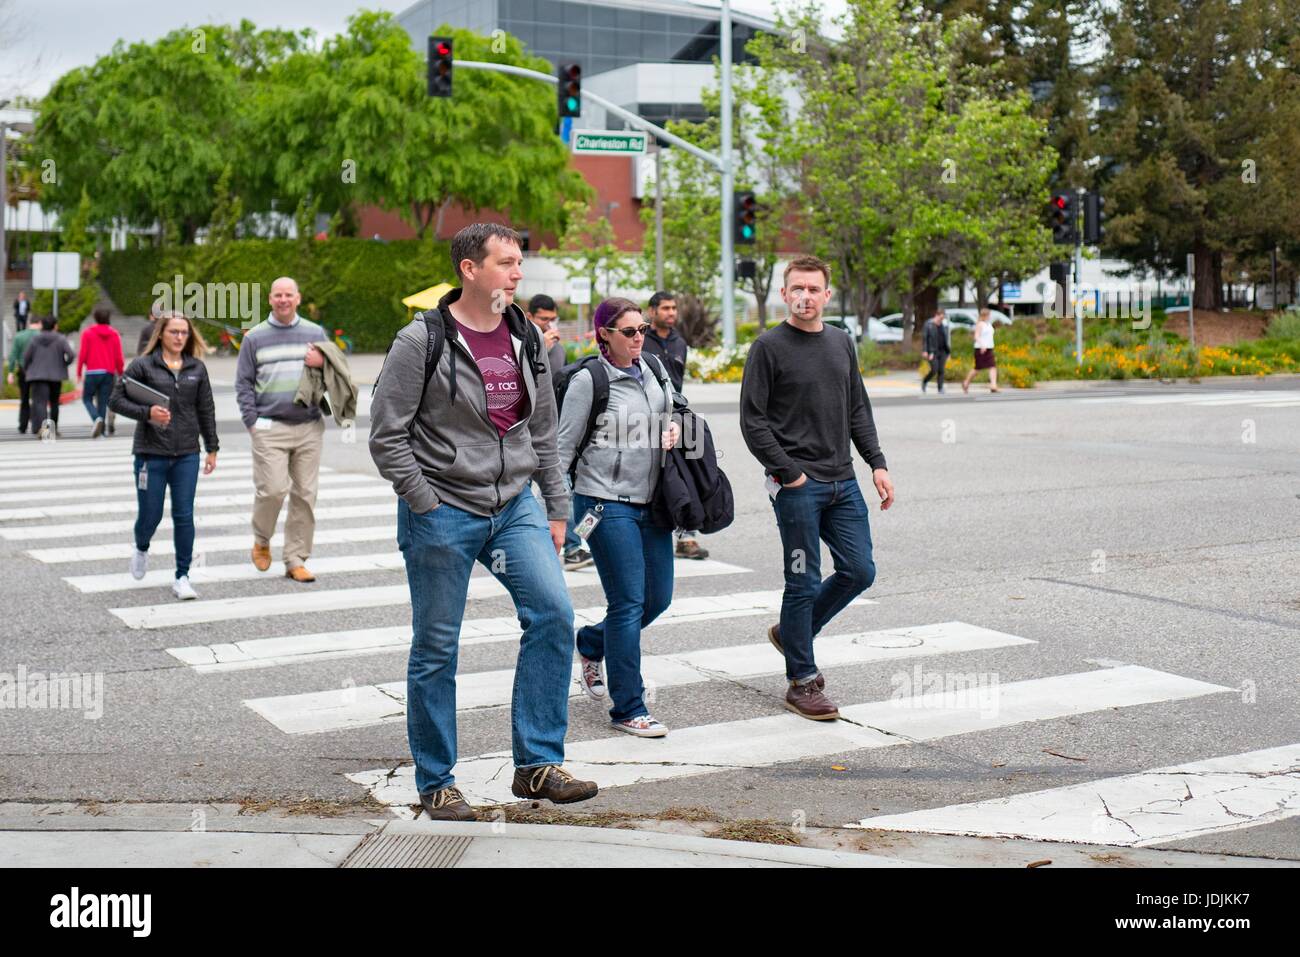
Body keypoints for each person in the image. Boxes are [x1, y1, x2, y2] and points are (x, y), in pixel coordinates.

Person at [369, 223, 598, 822]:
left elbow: (542, 429)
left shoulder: (526, 334)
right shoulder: (421, 341)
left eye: (519, 261)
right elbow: (387, 435)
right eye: (506, 262)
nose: (517, 273)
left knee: (553, 614)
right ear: (470, 269)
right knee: (438, 645)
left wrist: (555, 505)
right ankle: (437, 780)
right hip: (443, 507)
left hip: (514, 504)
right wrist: (424, 501)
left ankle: (538, 764)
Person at [739, 255, 895, 720]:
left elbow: (858, 409)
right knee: (802, 579)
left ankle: (793, 635)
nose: (805, 296)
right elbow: (753, 421)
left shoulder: (842, 343)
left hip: (843, 482)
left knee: (859, 571)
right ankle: (802, 681)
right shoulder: (767, 347)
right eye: (796, 289)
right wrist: (789, 473)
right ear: (784, 294)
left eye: (813, 289)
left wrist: (877, 464)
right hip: (797, 488)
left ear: (828, 295)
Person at [558, 297, 680, 737]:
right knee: (628, 601)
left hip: (653, 502)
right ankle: (629, 706)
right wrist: (560, 514)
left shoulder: (654, 369)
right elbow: (561, 449)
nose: (639, 338)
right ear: (603, 335)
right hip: (603, 503)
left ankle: (591, 642)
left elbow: (675, 414)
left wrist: (673, 431)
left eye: (642, 328)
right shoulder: (589, 381)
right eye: (629, 331)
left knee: (657, 598)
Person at [109, 312, 219, 600]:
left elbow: (206, 409)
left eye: (184, 332)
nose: (180, 337)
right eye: (174, 332)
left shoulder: (197, 368)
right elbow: (115, 399)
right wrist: (147, 413)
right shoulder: (143, 365)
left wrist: (212, 448)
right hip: (150, 452)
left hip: (186, 453)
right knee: (151, 514)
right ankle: (141, 546)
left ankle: (182, 576)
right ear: (161, 334)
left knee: (184, 514)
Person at [234, 277, 327, 583]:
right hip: (269, 427)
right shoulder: (255, 337)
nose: (283, 299)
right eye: (278, 295)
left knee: (305, 495)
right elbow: (244, 383)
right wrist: (251, 422)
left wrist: (322, 361)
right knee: (272, 490)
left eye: (289, 294)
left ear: (298, 298)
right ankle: (262, 539)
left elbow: (335, 375)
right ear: (270, 299)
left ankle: (296, 559)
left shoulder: (315, 333)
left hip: (309, 425)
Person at [640, 291, 708, 561]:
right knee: (656, 476)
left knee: (686, 473)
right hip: (645, 418)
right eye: (665, 308)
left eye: (674, 308)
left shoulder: (680, 342)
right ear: (652, 310)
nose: (671, 313)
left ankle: (687, 535)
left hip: (676, 416)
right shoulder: (642, 339)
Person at [527, 293, 593, 571]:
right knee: (519, 490)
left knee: (559, 485)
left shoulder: (558, 348)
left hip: (550, 429)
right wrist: (537, 347)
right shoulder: (524, 342)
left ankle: (572, 546)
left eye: (552, 318)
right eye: (543, 319)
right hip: (522, 431)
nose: (549, 323)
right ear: (530, 317)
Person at [21, 315, 73, 440]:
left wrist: (27, 369)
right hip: (56, 375)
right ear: (55, 326)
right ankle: (53, 429)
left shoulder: (34, 339)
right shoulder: (60, 339)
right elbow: (71, 355)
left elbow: (26, 357)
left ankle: (42, 429)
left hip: (37, 375)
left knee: (40, 403)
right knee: (54, 403)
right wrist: (63, 364)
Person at [77, 307, 125, 438]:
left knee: (87, 398)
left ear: (95, 318)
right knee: (103, 402)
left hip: (92, 371)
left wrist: (79, 372)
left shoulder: (87, 333)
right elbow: (118, 357)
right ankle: (102, 431)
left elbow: (82, 354)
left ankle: (96, 418)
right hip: (108, 372)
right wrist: (121, 372)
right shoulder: (114, 334)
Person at [6, 320, 40, 434]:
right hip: (38, 372)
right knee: (38, 399)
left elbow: (13, 355)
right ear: (39, 323)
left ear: (29, 323)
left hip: (23, 371)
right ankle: (36, 425)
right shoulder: (41, 336)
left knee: (24, 399)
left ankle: (23, 425)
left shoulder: (19, 336)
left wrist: (10, 372)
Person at [962, 307, 1000, 393]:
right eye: (988, 315)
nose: (990, 316)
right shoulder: (980, 324)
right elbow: (976, 336)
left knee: (992, 366)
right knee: (977, 368)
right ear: (985, 315)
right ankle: (966, 382)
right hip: (980, 349)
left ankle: (993, 385)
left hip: (989, 348)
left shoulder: (988, 324)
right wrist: (982, 345)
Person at [921, 308, 951, 393]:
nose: (941, 320)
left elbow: (946, 339)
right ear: (936, 315)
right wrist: (925, 351)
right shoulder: (929, 324)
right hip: (932, 351)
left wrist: (948, 352)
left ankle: (940, 388)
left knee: (941, 370)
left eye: (943, 318)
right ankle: (925, 381)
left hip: (943, 351)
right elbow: (925, 338)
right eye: (940, 318)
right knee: (934, 369)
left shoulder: (943, 325)